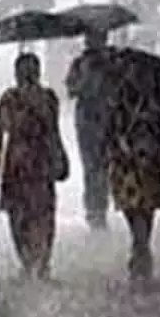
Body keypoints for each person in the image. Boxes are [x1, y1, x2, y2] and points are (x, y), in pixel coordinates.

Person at [0, 53, 68, 281]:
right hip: (40, 161)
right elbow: (54, 132)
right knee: (42, 214)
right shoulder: (48, 98)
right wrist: (59, 155)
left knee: (19, 215)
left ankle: (28, 262)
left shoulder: (10, 98)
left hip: (17, 162)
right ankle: (41, 263)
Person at [104, 75, 160, 282]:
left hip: (126, 167)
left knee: (133, 212)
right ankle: (141, 250)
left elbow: (108, 136)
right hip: (149, 166)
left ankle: (140, 250)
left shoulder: (116, 104)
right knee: (146, 212)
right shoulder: (154, 104)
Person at [65, 29, 114, 230]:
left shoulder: (112, 63)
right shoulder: (80, 63)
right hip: (87, 120)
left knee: (103, 166)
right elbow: (71, 90)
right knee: (91, 167)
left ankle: (100, 207)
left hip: (105, 119)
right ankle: (93, 209)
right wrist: (84, 79)